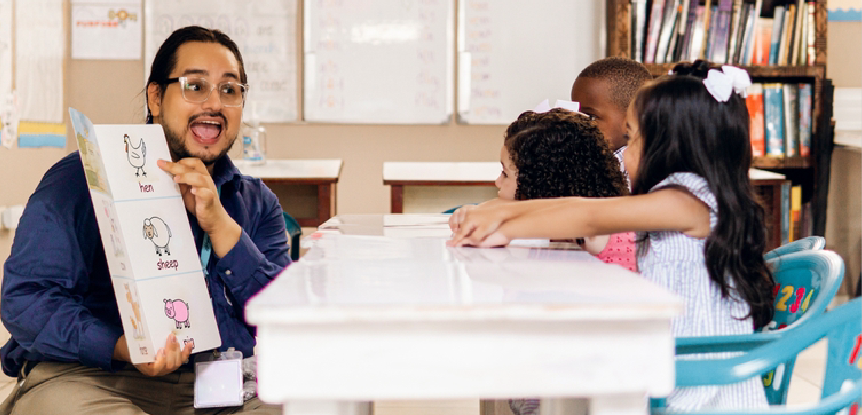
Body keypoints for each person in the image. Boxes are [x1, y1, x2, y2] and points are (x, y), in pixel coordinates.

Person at [451, 61, 775, 410]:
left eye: (633, 138)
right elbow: (582, 209)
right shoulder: (683, 197)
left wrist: (505, 219)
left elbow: (590, 216)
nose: (623, 151)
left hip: (699, 393)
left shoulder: (690, 202)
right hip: (672, 369)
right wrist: (503, 214)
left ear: (672, 146)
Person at [0, 26, 290, 414]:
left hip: (217, 385)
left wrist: (221, 227)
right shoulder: (80, 180)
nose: (214, 103)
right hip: (92, 378)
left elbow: (285, 319)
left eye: (230, 89)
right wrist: (122, 346)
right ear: (156, 97)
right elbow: (26, 299)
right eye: (195, 86)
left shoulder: (255, 202)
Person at [449, 108, 635, 272]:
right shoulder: (564, 234)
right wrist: (479, 213)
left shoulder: (595, 235)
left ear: (541, 184)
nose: (498, 182)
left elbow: (575, 215)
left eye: (505, 174)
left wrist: (493, 218)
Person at [570, 57, 652, 182]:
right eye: (576, 114)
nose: (578, 123)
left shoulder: (624, 164)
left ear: (634, 119)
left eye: (590, 117)